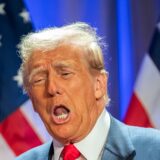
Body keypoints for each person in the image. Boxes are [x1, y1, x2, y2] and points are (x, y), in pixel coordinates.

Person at [15, 22, 160, 160]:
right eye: (39, 80)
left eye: (65, 74)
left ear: (99, 85)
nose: (52, 88)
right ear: (32, 99)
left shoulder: (154, 150)